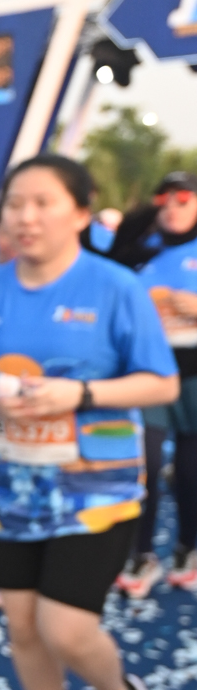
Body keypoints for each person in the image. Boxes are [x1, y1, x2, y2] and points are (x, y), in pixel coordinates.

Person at [0, 155, 177, 690]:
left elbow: (162, 381)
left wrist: (81, 395)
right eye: (15, 203)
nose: (25, 216)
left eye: (43, 202)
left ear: (80, 212)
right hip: (9, 484)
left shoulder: (115, 286)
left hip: (96, 486)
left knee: (65, 627)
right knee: (21, 624)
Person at [118, 213, 197, 595]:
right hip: (148, 372)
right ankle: (141, 553)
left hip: (193, 372)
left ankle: (188, 548)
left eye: (184, 199)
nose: (173, 207)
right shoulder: (142, 251)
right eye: (166, 199)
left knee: (189, 469)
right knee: (145, 463)